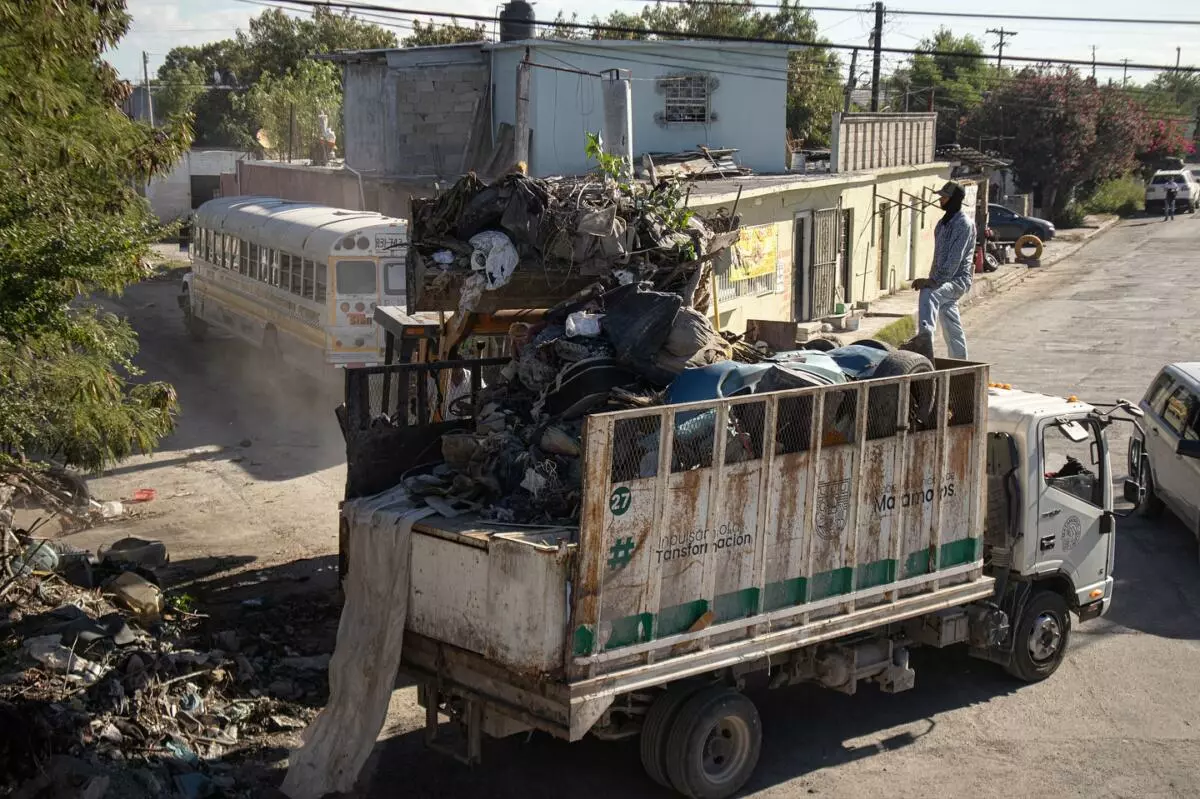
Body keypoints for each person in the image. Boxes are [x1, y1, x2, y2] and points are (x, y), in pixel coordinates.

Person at [904, 181, 975, 361]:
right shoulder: (942, 224)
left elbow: (954, 259)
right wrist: (933, 277)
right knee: (951, 323)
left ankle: (925, 338)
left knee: (930, 293)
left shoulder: (963, 224)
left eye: (944, 197)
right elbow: (938, 257)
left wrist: (933, 281)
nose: (940, 200)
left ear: (954, 200)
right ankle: (961, 362)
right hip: (943, 279)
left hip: (957, 280)